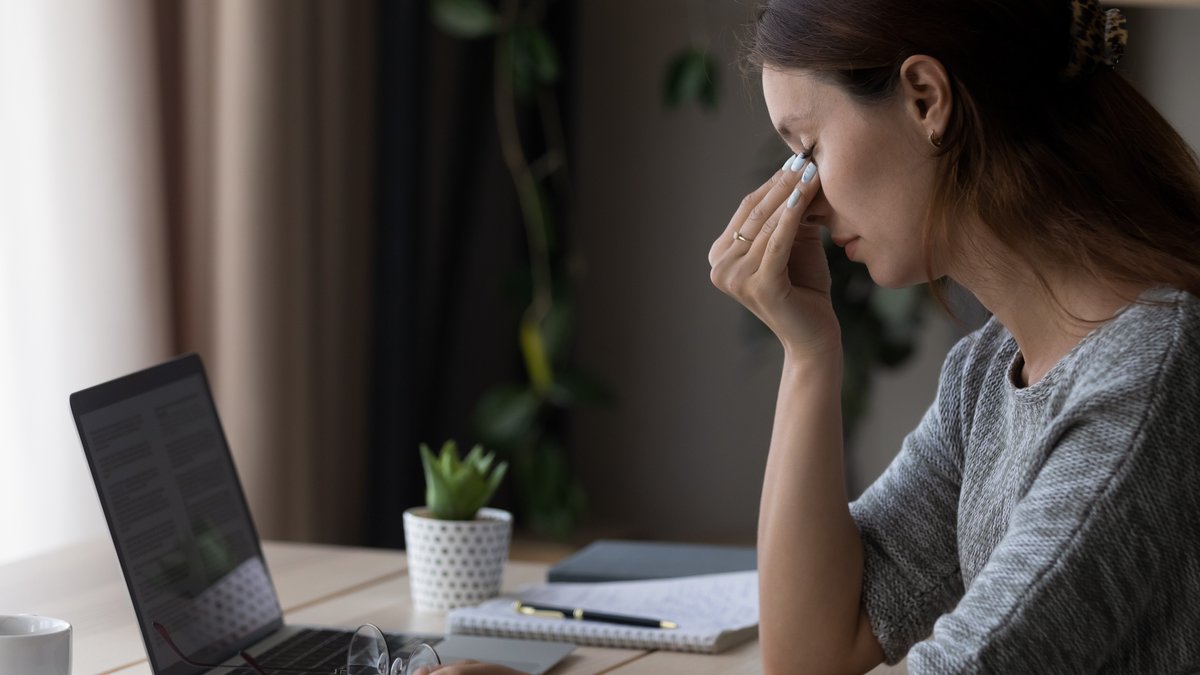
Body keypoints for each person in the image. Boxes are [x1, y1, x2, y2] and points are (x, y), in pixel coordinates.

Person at [418, 0, 1200, 673]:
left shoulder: (1145, 384)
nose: (807, 203)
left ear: (926, 98)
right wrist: (808, 351)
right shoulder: (989, 372)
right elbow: (816, 649)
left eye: (809, 150)